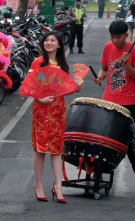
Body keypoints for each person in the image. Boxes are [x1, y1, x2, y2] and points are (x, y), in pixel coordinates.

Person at [93, 20, 135, 194]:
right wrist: (100, 78)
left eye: (118, 37)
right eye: (112, 37)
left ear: (126, 35)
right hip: (109, 100)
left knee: (133, 141)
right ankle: (101, 174)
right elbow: (104, 69)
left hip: (128, 103)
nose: (115, 40)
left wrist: (126, 65)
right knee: (105, 139)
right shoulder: (108, 47)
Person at [29, 31, 84, 203]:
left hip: (58, 110)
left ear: (59, 45)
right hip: (41, 109)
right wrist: (40, 98)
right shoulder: (38, 62)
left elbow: (67, 88)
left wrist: (78, 86)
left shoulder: (62, 65)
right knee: (39, 149)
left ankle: (58, 187)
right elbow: (30, 85)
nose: (49, 43)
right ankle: (38, 185)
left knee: (57, 150)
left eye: (53, 40)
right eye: (46, 40)